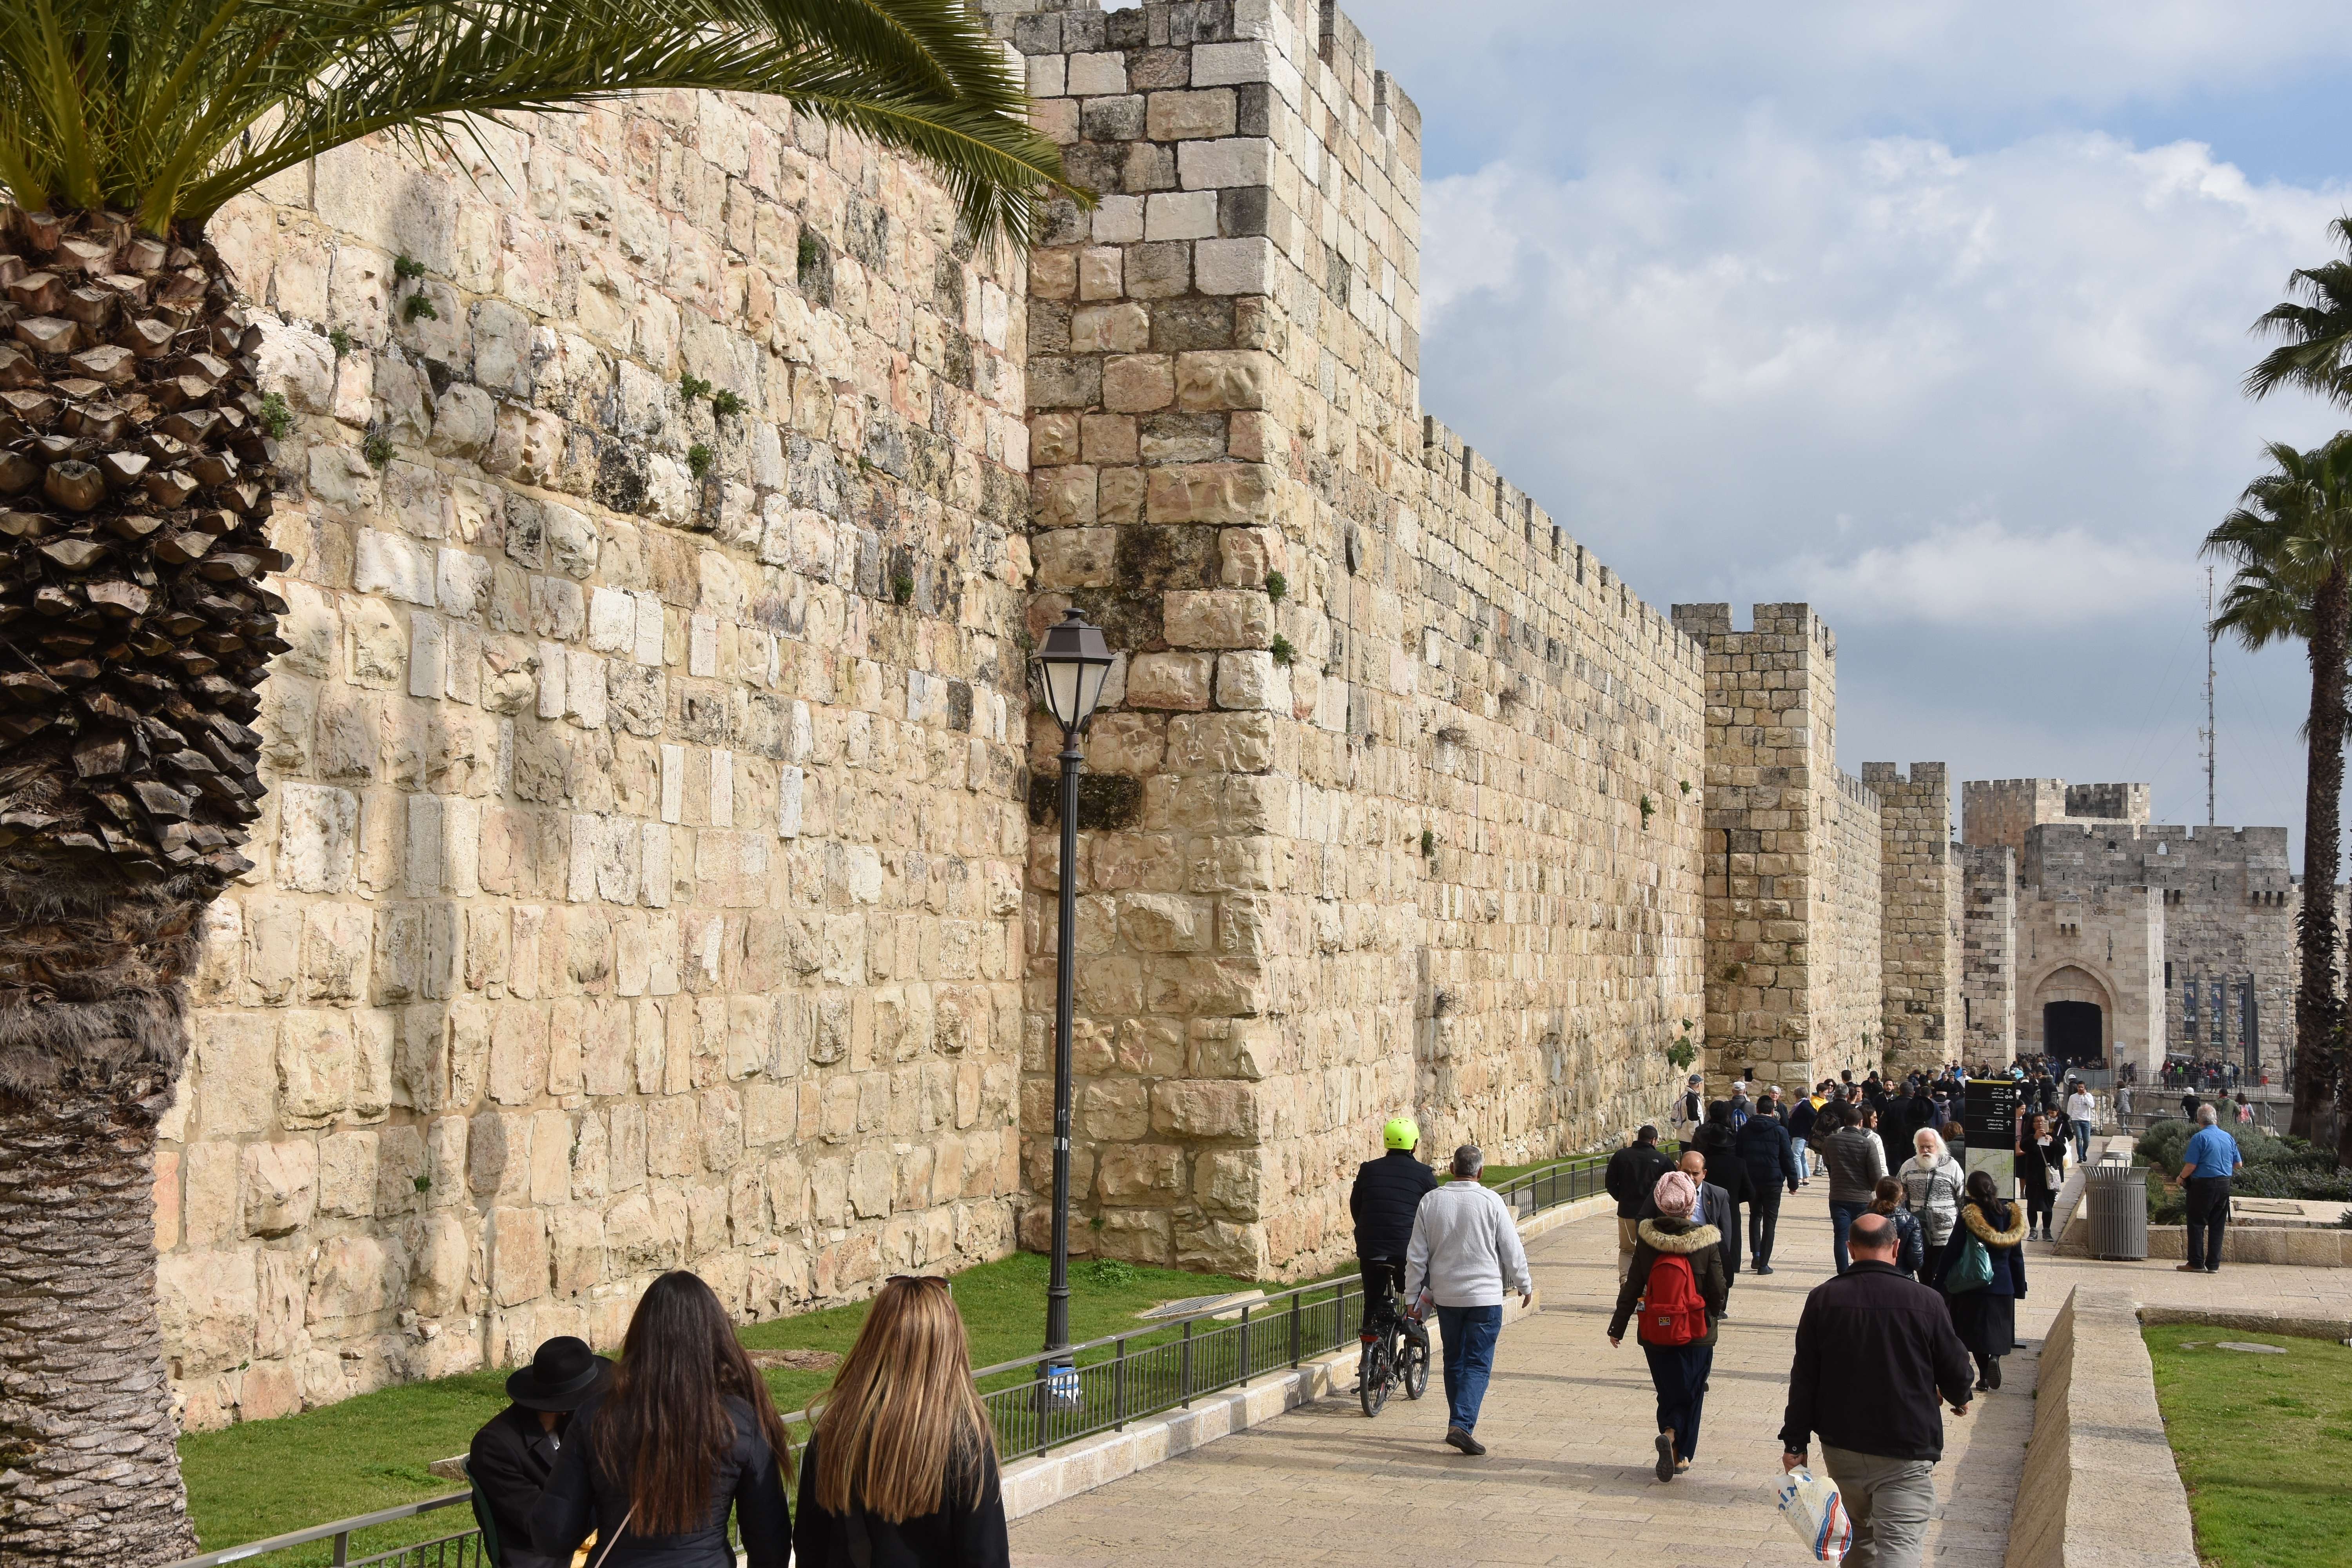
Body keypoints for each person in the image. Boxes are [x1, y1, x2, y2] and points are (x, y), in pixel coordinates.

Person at [533, 1271, 793, 1568]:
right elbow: (770, 1543)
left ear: (640, 1336)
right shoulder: (740, 1422)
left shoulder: (595, 1417)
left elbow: (552, 1534)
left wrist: (604, 1493)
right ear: (716, 1337)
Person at [1781, 1211, 1974, 1568]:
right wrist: (1960, 1395)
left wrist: (1795, 1442)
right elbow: (1955, 1363)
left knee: (1857, 1538)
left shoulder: (1823, 1299)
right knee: (1900, 1542)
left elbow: (1805, 1375)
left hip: (1844, 1445)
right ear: (1897, 1247)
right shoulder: (1927, 1300)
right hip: (1907, 1446)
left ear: (1850, 1248)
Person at [793, 1276, 1011, 1568]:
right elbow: (987, 1555)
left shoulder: (834, 1431)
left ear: (874, 1340)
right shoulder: (963, 1440)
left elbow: (809, 1545)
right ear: (948, 1348)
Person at [1404, 1144, 1532, 1455]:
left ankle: (1457, 1421)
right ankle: (1461, 1423)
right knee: (1477, 1362)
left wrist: (1411, 1297)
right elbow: (1511, 1250)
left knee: (1455, 1359)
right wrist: (1524, 1284)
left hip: (1447, 1297)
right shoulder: (1492, 1201)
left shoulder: (1431, 1202)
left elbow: (1417, 1256)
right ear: (1481, 1171)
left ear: (1452, 1168)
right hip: (1485, 1298)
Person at [1607, 1171, 1728, 1484]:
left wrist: (1617, 1327)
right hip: (1697, 1331)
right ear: (1692, 1204)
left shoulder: (1648, 1242)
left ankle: (1672, 1442)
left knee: (1667, 1391)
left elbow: (1632, 1285)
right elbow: (1718, 1289)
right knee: (1692, 1391)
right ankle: (1677, 1442)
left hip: (1656, 1331)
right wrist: (1713, 1313)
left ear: (1660, 1204)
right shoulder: (1707, 1241)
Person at [470, 1337, 613, 1568]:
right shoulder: (495, 1446)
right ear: (568, 1408)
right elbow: (546, 1527)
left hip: (595, 1543)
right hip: (548, 1558)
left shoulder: (574, 1427)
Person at [1930, 1171, 2028, 1392]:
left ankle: (1984, 1376)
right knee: (2000, 1328)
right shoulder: (2011, 1215)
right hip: (2004, 1284)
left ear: (1971, 1192)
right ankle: (1996, 1357)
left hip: (1974, 1283)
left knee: (1975, 1332)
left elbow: (1952, 1251)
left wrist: (1938, 1282)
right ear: (1993, 1187)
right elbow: (2017, 1256)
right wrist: (2020, 1287)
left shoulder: (1969, 1216)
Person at [1349, 1117, 1438, 1327]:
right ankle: (1415, 1333)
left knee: (1372, 1302)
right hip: (1405, 1250)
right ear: (1414, 1145)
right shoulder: (1424, 1174)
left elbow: (1356, 1206)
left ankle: (1368, 1351)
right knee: (1418, 1292)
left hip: (1370, 1247)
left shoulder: (1368, 1170)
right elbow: (1437, 1211)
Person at [1735, 1099, 1802, 1275]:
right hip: (1773, 1181)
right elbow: (1787, 1158)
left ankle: (1756, 1256)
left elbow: (1738, 1156)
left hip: (1752, 1180)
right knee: (1770, 1222)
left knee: (1755, 1216)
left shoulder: (1744, 1130)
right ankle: (1764, 1263)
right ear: (1773, 1111)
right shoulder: (1780, 1131)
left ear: (1757, 1110)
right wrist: (1793, 1183)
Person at [1820, 1102, 1888, 1274]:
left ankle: (1843, 1272)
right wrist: (1871, 1189)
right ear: (1861, 1123)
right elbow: (1876, 1174)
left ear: (1845, 1121)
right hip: (1862, 1198)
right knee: (1865, 1237)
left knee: (1841, 1236)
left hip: (1838, 1195)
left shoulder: (1830, 1141)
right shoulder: (1868, 1144)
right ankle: (1862, 1269)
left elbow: (1828, 1162)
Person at [2177, 1103, 2244, 1274]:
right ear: (2216, 1118)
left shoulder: (2199, 1138)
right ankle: (2214, 1265)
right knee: (2217, 1225)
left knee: (2197, 1223)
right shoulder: (2228, 1137)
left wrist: (2181, 1178)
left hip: (2203, 1185)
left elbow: (2191, 1165)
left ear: (2199, 1120)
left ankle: (2196, 1262)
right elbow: (2238, 1164)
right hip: (2224, 1184)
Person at [1605, 1124, 1673, 1283]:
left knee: (1627, 1250)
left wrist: (1621, 1198)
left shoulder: (1621, 1156)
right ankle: (1645, 1289)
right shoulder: (1662, 1161)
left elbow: (1610, 1183)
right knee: (1650, 1252)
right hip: (1651, 1216)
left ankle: (1625, 1281)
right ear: (1654, 1140)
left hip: (1627, 1212)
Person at [1690, 1102, 1751, 1277]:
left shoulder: (1701, 1132)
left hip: (1706, 1179)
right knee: (1731, 1226)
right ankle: (1731, 1263)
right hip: (1730, 1181)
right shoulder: (1731, 1132)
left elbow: (1693, 1152)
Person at [1896, 1127, 1964, 1283]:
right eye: (1921, 1147)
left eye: (1929, 1147)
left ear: (1938, 1146)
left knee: (1946, 1280)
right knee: (1925, 1279)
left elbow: (1962, 1198)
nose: (1925, 1150)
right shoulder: (1908, 1166)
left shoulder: (1952, 1166)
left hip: (1946, 1235)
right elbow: (1898, 1196)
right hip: (1919, 1234)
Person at [2016, 1112, 2065, 1241]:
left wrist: (2053, 1141)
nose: (2040, 1124)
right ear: (2032, 1125)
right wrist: (2035, 1138)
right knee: (2032, 1204)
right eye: (2037, 1122)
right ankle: (2033, 1230)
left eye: (2042, 1121)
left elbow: (2062, 1151)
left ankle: (2047, 1231)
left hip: (2048, 1179)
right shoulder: (2030, 1137)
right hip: (2033, 1176)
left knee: (2048, 1205)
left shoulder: (2053, 1136)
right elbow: (2023, 1147)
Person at [1870, 1177, 1924, 1276]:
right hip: (1903, 1277)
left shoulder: (1865, 1219)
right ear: (1900, 1196)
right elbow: (1916, 1261)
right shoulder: (1911, 1221)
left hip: (1872, 1277)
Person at [1786, 1088, 1820, 1184]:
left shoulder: (1804, 1105)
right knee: (1801, 1156)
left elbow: (1814, 1116)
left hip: (1801, 1133)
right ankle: (1805, 1178)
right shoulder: (1804, 1104)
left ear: (1797, 1095)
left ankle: (1799, 1178)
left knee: (1795, 1155)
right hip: (1801, 1134)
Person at [2064, 1080, 2097, 1164]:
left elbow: (2092, 1106)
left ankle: (2084, 1153)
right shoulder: (2073, 1097)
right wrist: (2068, 1119)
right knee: (2079, 1139)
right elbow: (2070, 1109)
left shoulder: (2089, 1096)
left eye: (2082, 1087)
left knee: (2087, 1140)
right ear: (2077, 1088)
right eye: (2079, 1087)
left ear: (2085, 1088)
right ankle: (2080, 1157)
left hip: (2086, 1120)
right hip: (2076, 1120)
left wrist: (2085, 1096)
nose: (2081, 1089)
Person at [1675, 1074, 1704, 1143]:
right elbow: (1693, 1119)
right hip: (1689, 1137)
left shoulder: (1685, 1094)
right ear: (1699, 1085)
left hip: (1684, 1135)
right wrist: (1696, 1135)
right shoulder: (1691, 1098)